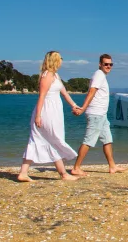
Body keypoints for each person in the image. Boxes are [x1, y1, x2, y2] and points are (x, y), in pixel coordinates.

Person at [18, 51, 80, 182]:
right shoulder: (47, 76)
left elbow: (64, 93)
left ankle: (25, 173)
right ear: (55, 60)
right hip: (46, 112)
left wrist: (74, 105)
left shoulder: (55, 75)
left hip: (54, 112)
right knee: (51, 139)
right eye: (60, 58)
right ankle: (63, 174)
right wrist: (38, 116)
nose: (62, 60)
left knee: (49, 140)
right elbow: (42, 96)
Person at [71, 54, 126, 175]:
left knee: (107, 139)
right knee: (89, 141)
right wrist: (83, 108)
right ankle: (76, 168)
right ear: (100, 64)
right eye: (106, 64)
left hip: (102, 115)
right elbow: (91, 92)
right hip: (95, 114)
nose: (108, 66)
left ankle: (112, 166)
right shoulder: (99, 75)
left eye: (110, 64)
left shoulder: (102, 76)